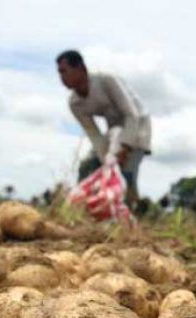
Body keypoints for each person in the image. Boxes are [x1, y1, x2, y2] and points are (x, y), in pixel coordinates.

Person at [56, 50, 152, 208]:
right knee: (89, 166)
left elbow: (131, 114)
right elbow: (94, 135)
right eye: (59, 73)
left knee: (127, 172)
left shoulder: (107, 81)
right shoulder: (75, 104)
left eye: (64, 71)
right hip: (114, 130)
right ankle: (86, 207)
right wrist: (106, 160)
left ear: (81, 68)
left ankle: (131, 210)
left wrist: (125, 148)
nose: (62, 78)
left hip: (138, 124)